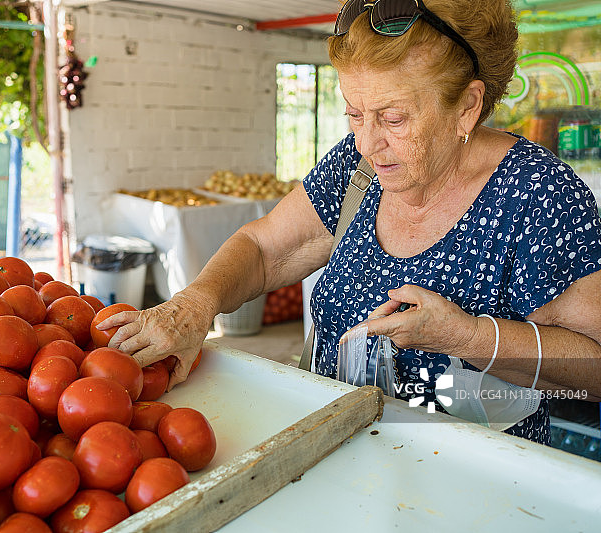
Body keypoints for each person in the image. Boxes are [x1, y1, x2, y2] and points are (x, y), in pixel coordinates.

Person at [97, 0, 601, 445]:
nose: (367, 141)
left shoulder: (539, 195)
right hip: (336, 455)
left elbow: (592, 370)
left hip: (474, 489)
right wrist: (194, 306)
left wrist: (465, 337)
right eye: (354, 114)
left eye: (394, 118)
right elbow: (265, 247)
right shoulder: (358, 169)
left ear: (467, 106)